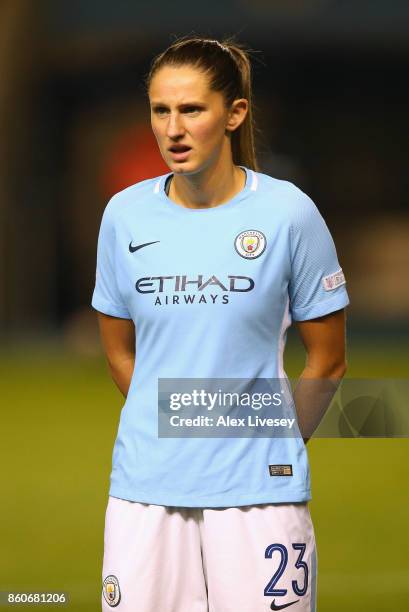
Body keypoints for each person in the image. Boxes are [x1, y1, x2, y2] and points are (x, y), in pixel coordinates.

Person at [92, 36, 349, 612]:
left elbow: (328, 359)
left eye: (191, 110)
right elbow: (118, 352)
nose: (173, 129)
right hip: (145, 491)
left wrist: (273, 441)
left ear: (234, 114)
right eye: (161, 110)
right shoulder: (124, 215)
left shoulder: (288, 214)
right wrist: (174, 427)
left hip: (261, 496)